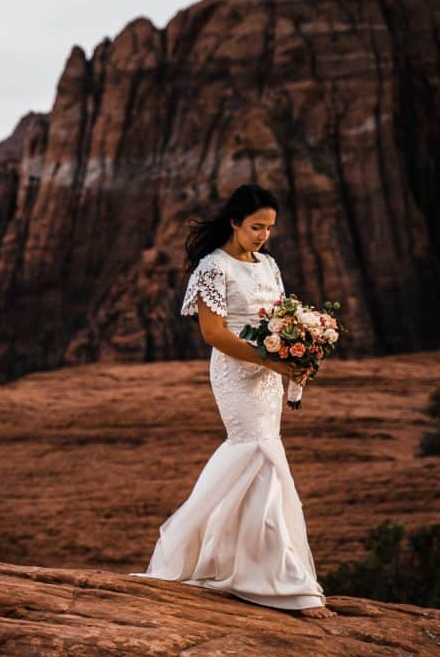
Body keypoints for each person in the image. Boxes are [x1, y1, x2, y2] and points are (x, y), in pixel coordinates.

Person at [130, 184, 337, 619]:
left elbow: (279, 316)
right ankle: (285, 583)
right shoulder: (212, 268)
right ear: (235, 223)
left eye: (269, 228)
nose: (263, 235)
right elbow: (214, 333)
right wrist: (272, 359)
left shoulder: (269, 265)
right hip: (235, 375)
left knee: (261, 457)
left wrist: (295, 350)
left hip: (267, 376)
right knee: (257, 452)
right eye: (256, 227)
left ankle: (238, 567)